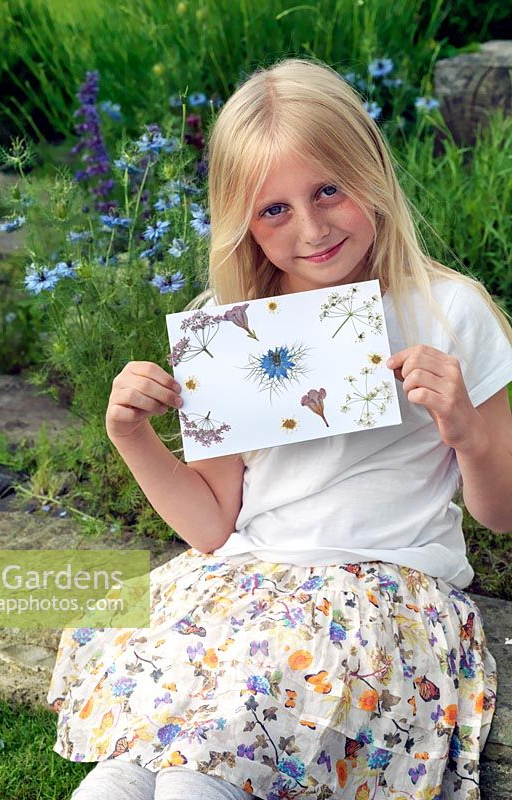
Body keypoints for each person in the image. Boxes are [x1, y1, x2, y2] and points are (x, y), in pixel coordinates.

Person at [47, 57, 512, 800]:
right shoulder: (232, 327)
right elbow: (210, 523)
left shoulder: (448, 310)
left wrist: (465, 431)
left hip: (379, 596)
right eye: (273, 210)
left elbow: (501, 512)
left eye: (329, 189)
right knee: (128, 772)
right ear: (243, 226)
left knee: (197, 771)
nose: (312, 226)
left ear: (372, 171)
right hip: (243, 588)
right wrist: (131, 435)